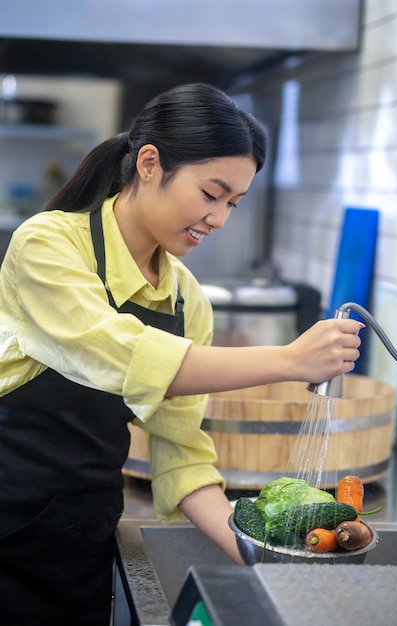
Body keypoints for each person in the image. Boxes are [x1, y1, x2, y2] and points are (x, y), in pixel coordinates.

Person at [0, 83, 362, 624]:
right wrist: (289, 361)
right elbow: (118, 354)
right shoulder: (48, 245)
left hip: (81, 533)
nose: (220, 219)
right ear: (149, 164)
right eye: (211, 194)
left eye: (233, 203)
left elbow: (183, 456)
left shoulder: (186, 298)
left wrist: (264, 555)